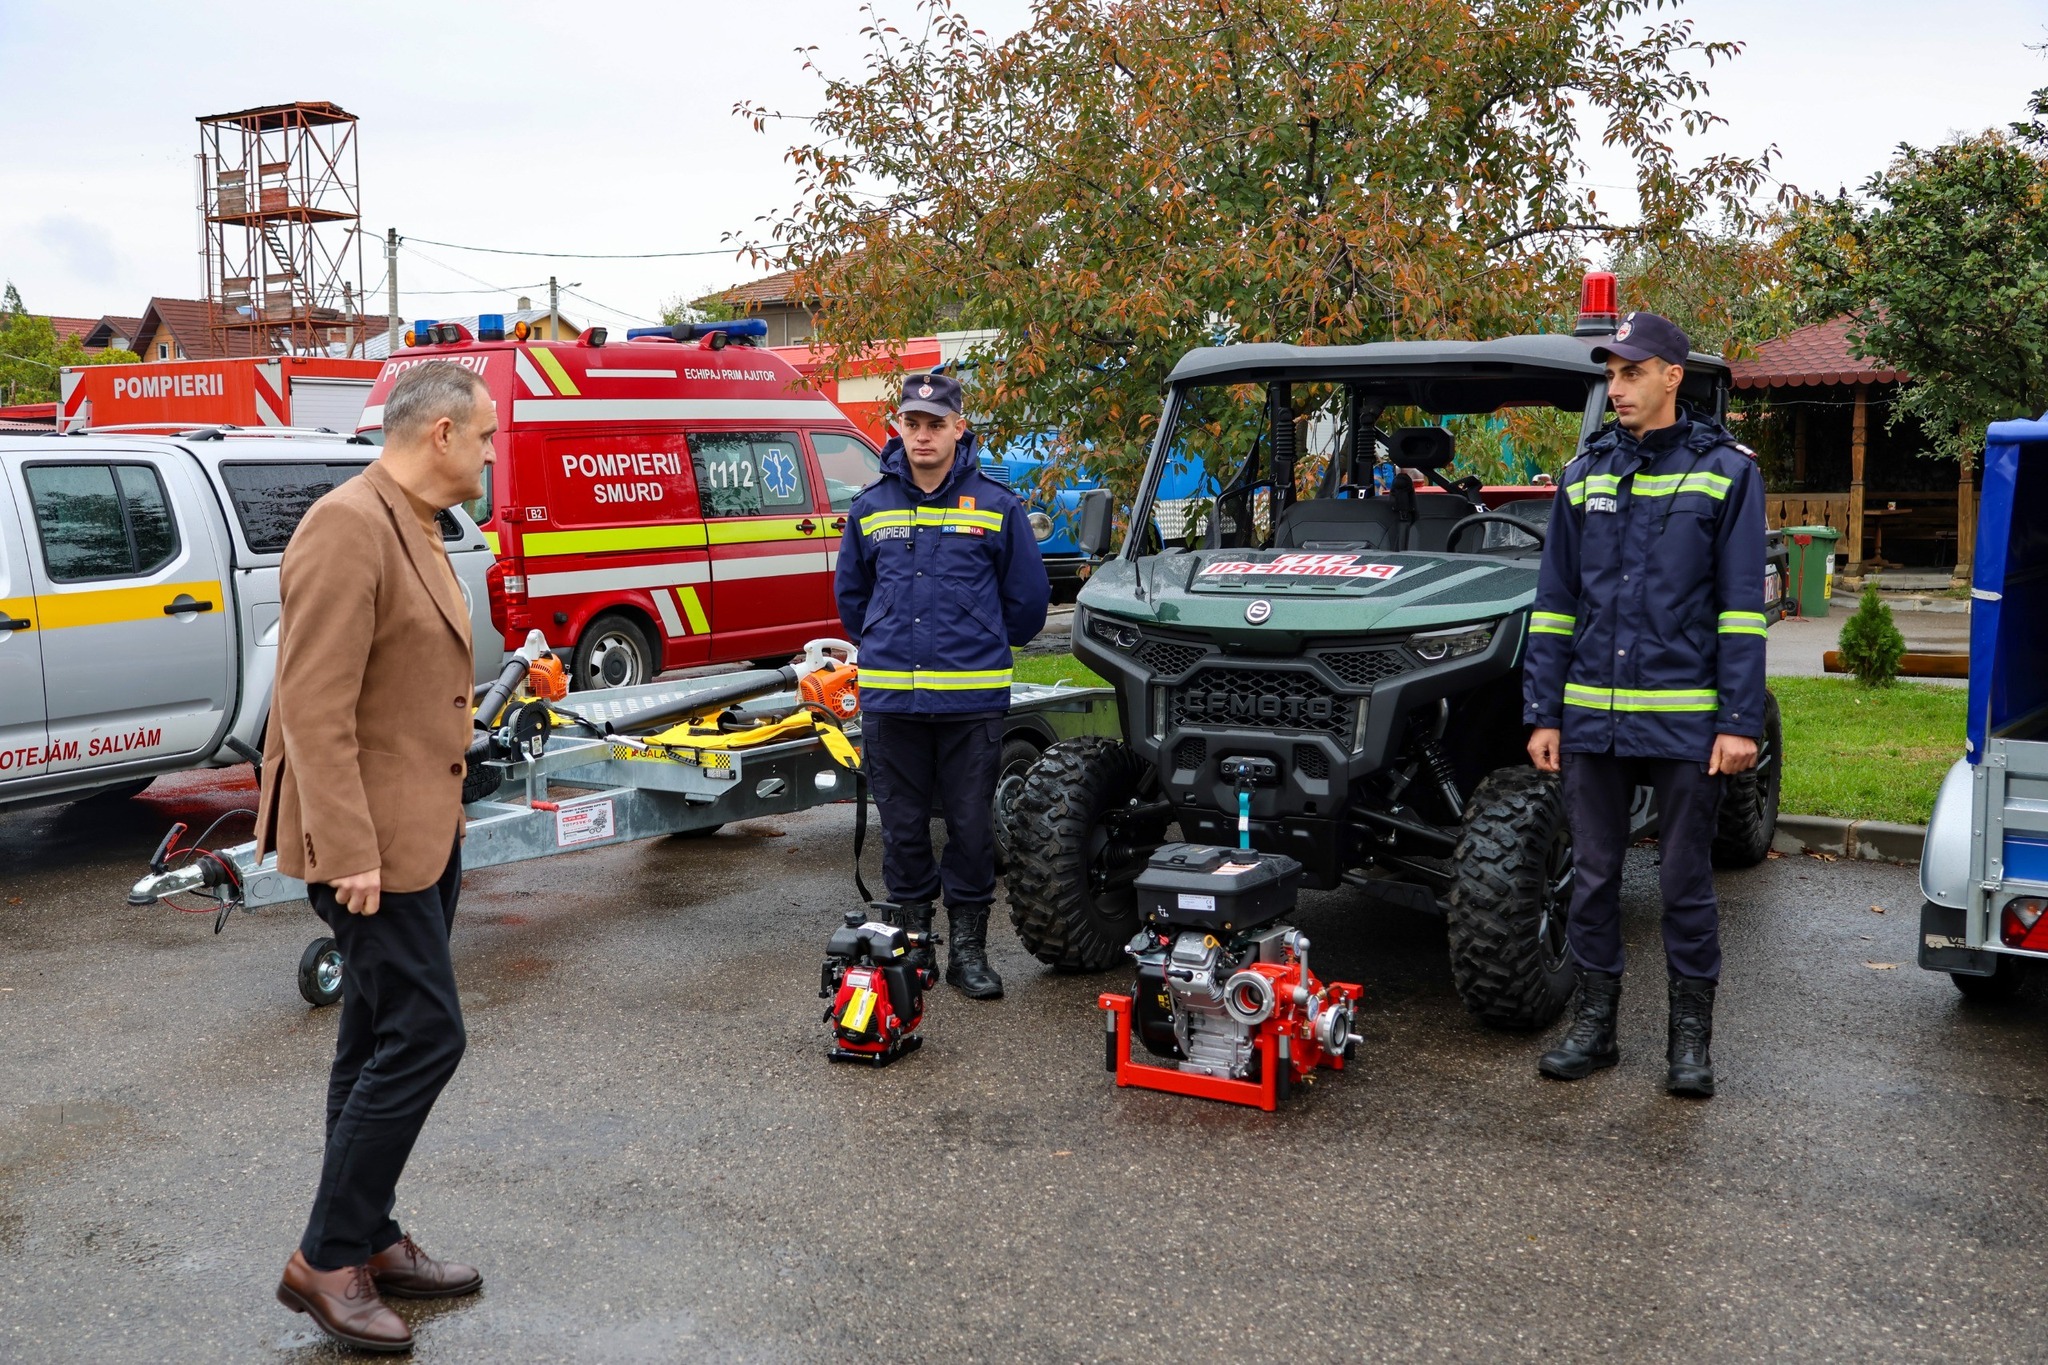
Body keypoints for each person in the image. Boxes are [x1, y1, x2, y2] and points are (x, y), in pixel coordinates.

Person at [258, 361, 496, 1351]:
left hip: (417, 826)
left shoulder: (417, 525)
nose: (490, 452)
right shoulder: (347, 525)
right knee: (426, 1037)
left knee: (370, 1039)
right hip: (366, 845)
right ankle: (327, 1258)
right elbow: (310, 703)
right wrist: (350, 849)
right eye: (483, 435)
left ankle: (372, 1235)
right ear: (438, 433)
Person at [1522, 311, 1766, 1099]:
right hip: (1591, 718)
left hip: (1687, 719)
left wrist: (1739, 722)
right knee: (1593, 878)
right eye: (1610, 374)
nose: (1616, 387)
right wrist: (1544, 713)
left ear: (1672, 375)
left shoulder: (1726, 471)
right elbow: (1554, 602)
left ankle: (1688, 1044)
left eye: (1630, 372)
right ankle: (1595, 1030)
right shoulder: (1583, 472)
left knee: (1683, 883)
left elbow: (1739, 610)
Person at [836, 372, 1050, 999]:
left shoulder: (997, 506)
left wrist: (977, 642)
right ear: (897, 428)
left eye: (936, 423)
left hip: (970, 702)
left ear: (960, 427)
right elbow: (853, 601)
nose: (923, 434)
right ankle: (913, 949)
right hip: (890, 703)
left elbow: (1028, 605)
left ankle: (969, 954)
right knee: (901, 830)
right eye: (913, 423)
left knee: (970, 828)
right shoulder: (870, 507)